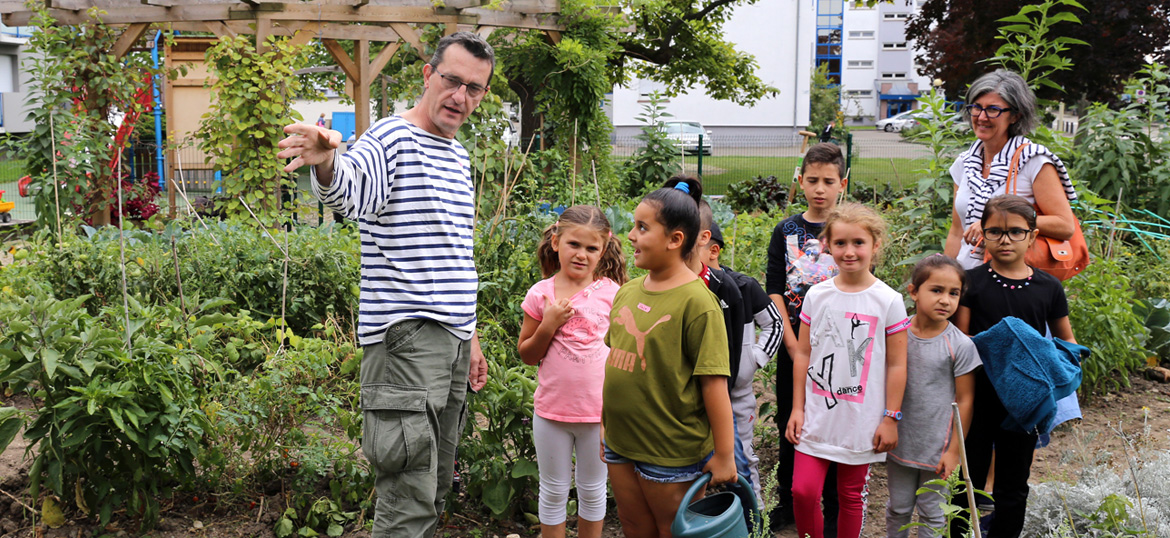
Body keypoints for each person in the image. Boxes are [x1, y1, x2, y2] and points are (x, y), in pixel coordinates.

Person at [276, 31, 495, 536]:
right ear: (427, 75)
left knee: (434, 488)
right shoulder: (390, 139)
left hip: (453, 340)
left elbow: (455, 255)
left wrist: (472, 335)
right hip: (408, 343)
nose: (461, 97)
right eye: (452, 81)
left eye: (474, 88)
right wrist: (328, 160)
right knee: (407, 498)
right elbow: (353, 192)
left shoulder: (456, 155)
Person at [603, 178, 737, 538]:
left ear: (675, 240)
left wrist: (724, 455)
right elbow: (616, 361)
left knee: (672, 531)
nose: (630, 235)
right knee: (633, 526)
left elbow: (714, 384)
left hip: (670, 453)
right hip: (620, 442)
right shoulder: (628, 291)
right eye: (633, 225)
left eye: (642, 227)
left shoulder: (698, 303)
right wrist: (605, 426)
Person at [951, 195, 1077, 538]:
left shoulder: (1048, 287)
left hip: (1024, 404)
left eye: (1016, 232)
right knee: (968, 481)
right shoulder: (972, 282)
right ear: (983, 235)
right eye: (995, 231)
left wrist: (1049, 379)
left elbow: (1066, 344)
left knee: (1013, 484)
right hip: (977, 399)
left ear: (1033, 236)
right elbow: (963, 342)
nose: (1005, 239)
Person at [785, 202, 909, 538]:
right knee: (804, 491)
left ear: (875, 245)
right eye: (840, 243)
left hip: (862, 420)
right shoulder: (817, 295)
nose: (849, 251)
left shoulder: (888, 301)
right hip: (816, 416)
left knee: (850, 496)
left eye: (858, 243)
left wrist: (890, 417)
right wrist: (797, 408)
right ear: (828, 246)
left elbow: (898, 364)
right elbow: (803, 353)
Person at [517, 205, 627, 538]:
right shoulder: (541, 294)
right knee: (552, 490)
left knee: (593, 490)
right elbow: (527, 354)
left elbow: (624, 351)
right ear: (555, 242)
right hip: (551, 414)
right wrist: (548, 325)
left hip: (599, 415)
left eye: (591, 248)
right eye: (573, 245)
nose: (581, 254)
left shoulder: (613, 294)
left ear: (603, 249)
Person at [765, 142, 846, 530]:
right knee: (790, 415)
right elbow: (775, 288)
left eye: (828, 181)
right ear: (800, 181)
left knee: (831, 418)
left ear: (841, 184)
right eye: (812, 180)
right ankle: (788, 498)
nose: (819, 188)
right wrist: (792, 343)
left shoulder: (847, 229)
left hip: (839, 346)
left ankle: (830, 501)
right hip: (795, 342)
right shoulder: (786, 230)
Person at [944, 69, 1078, 272]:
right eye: (976, 107)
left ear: (1015, 116)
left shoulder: (1033, 161)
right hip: (968, 277)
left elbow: (1065, 226)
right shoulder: (965, 164)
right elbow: (956, 232)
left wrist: (999, 223)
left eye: (993, 110)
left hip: (1013, 281)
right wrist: (946, 277)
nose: (981, 117)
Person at [885, 254, 980, 538]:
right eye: (936, 290)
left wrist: (954, 452)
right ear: (913, 291)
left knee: (933, 513)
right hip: (900, 441)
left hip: (938, 448)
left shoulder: (960, 345)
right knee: (898, 508)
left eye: (954, 293)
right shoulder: (896, 334)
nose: (945, 300)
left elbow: (965, 400)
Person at [703, 212, 785, 502]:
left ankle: (755, 518)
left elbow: (775, 323)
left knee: (743, 460)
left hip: (737, 396)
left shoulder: (743, 286)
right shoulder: (686, 289)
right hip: (696, 393)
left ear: (713, 249)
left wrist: (755, 358)